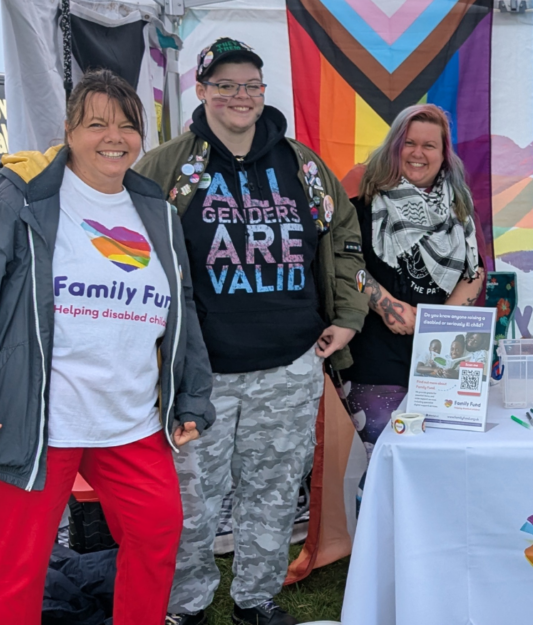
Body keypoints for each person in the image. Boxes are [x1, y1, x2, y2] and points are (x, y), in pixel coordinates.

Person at [0, 69, 212, 625]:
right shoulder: (17, 197)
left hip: (130, 420)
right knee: (15, 563)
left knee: (157, 534)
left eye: (127, 126)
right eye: (96, 124)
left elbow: (182, 309)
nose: (114, 137)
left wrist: (192, 394)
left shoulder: (157, 211)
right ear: (69, 131)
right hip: (38, 422)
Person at [133, 38, 366, 625]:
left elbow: (344, 236)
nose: (240, 96)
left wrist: (347, 317)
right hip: (201, 371)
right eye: (225, 85)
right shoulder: (167, 167)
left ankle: (256, 600)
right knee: (192, 500)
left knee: (274, 490)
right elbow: (131, 252)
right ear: (202, 90)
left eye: (250, 85)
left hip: (289, 364)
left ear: (263, 92)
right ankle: (184, 606)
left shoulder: (303, 166)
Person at [341, 103, 485, 455]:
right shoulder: (361, 205)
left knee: (439, 466)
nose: (418, 153)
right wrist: (387, 305)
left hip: (441, 370)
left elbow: (475, 271)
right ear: (394, 147)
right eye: (409, 143)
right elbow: (342, 265)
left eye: (429, 145)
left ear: (443, 155)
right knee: (383, 463)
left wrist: (438, 323)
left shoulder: (459, 211)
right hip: (376, 365)